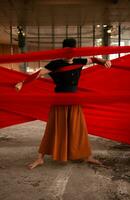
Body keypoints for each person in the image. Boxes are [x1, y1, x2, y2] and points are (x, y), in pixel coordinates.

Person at [15, 38, 111, 169]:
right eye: (66, 52)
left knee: (79, 129)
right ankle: (40, 158)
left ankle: (88, 156)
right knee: (53, 128)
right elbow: (37, 74)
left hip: (74, 101)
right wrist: (22, 83)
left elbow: (93, 59)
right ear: (62, 51)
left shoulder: (79, 61)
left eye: (71, 52)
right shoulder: (55, 64)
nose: (68, 55)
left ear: (74, 52)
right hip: (60, 101)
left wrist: (104, 61)